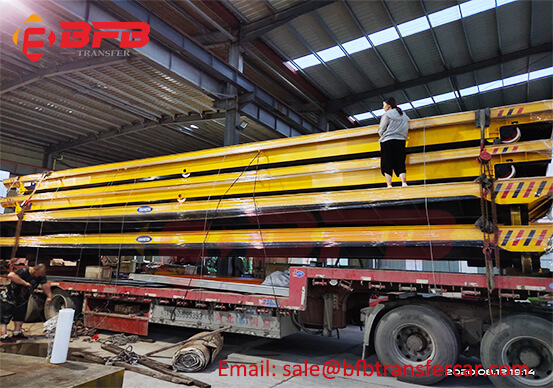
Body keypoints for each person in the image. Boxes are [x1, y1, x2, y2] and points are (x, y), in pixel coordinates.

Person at [0, 263, 52, 341]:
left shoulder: (40, 276)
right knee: (5, 316)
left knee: (20, 315)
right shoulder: (24, 271)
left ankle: (17, 333)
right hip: (9, 297)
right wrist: (24, 283)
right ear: (35, 270)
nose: (39, 275)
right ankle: (3, 335)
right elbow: (10, 275)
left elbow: (45, 286)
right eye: (39, 273)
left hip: (22, 299)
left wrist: (49, 296)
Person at [378, 97, 410, 188]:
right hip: (401, 141)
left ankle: (389, 185)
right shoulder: (403, 114)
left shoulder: (387, 114)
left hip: (388, 140)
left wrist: (381, 133)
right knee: (400, 162)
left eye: (384, 105)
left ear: (388, 105)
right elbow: (409, 122)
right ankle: (404, 183)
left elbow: (382, 128)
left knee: (387, 162)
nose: (383, 107)